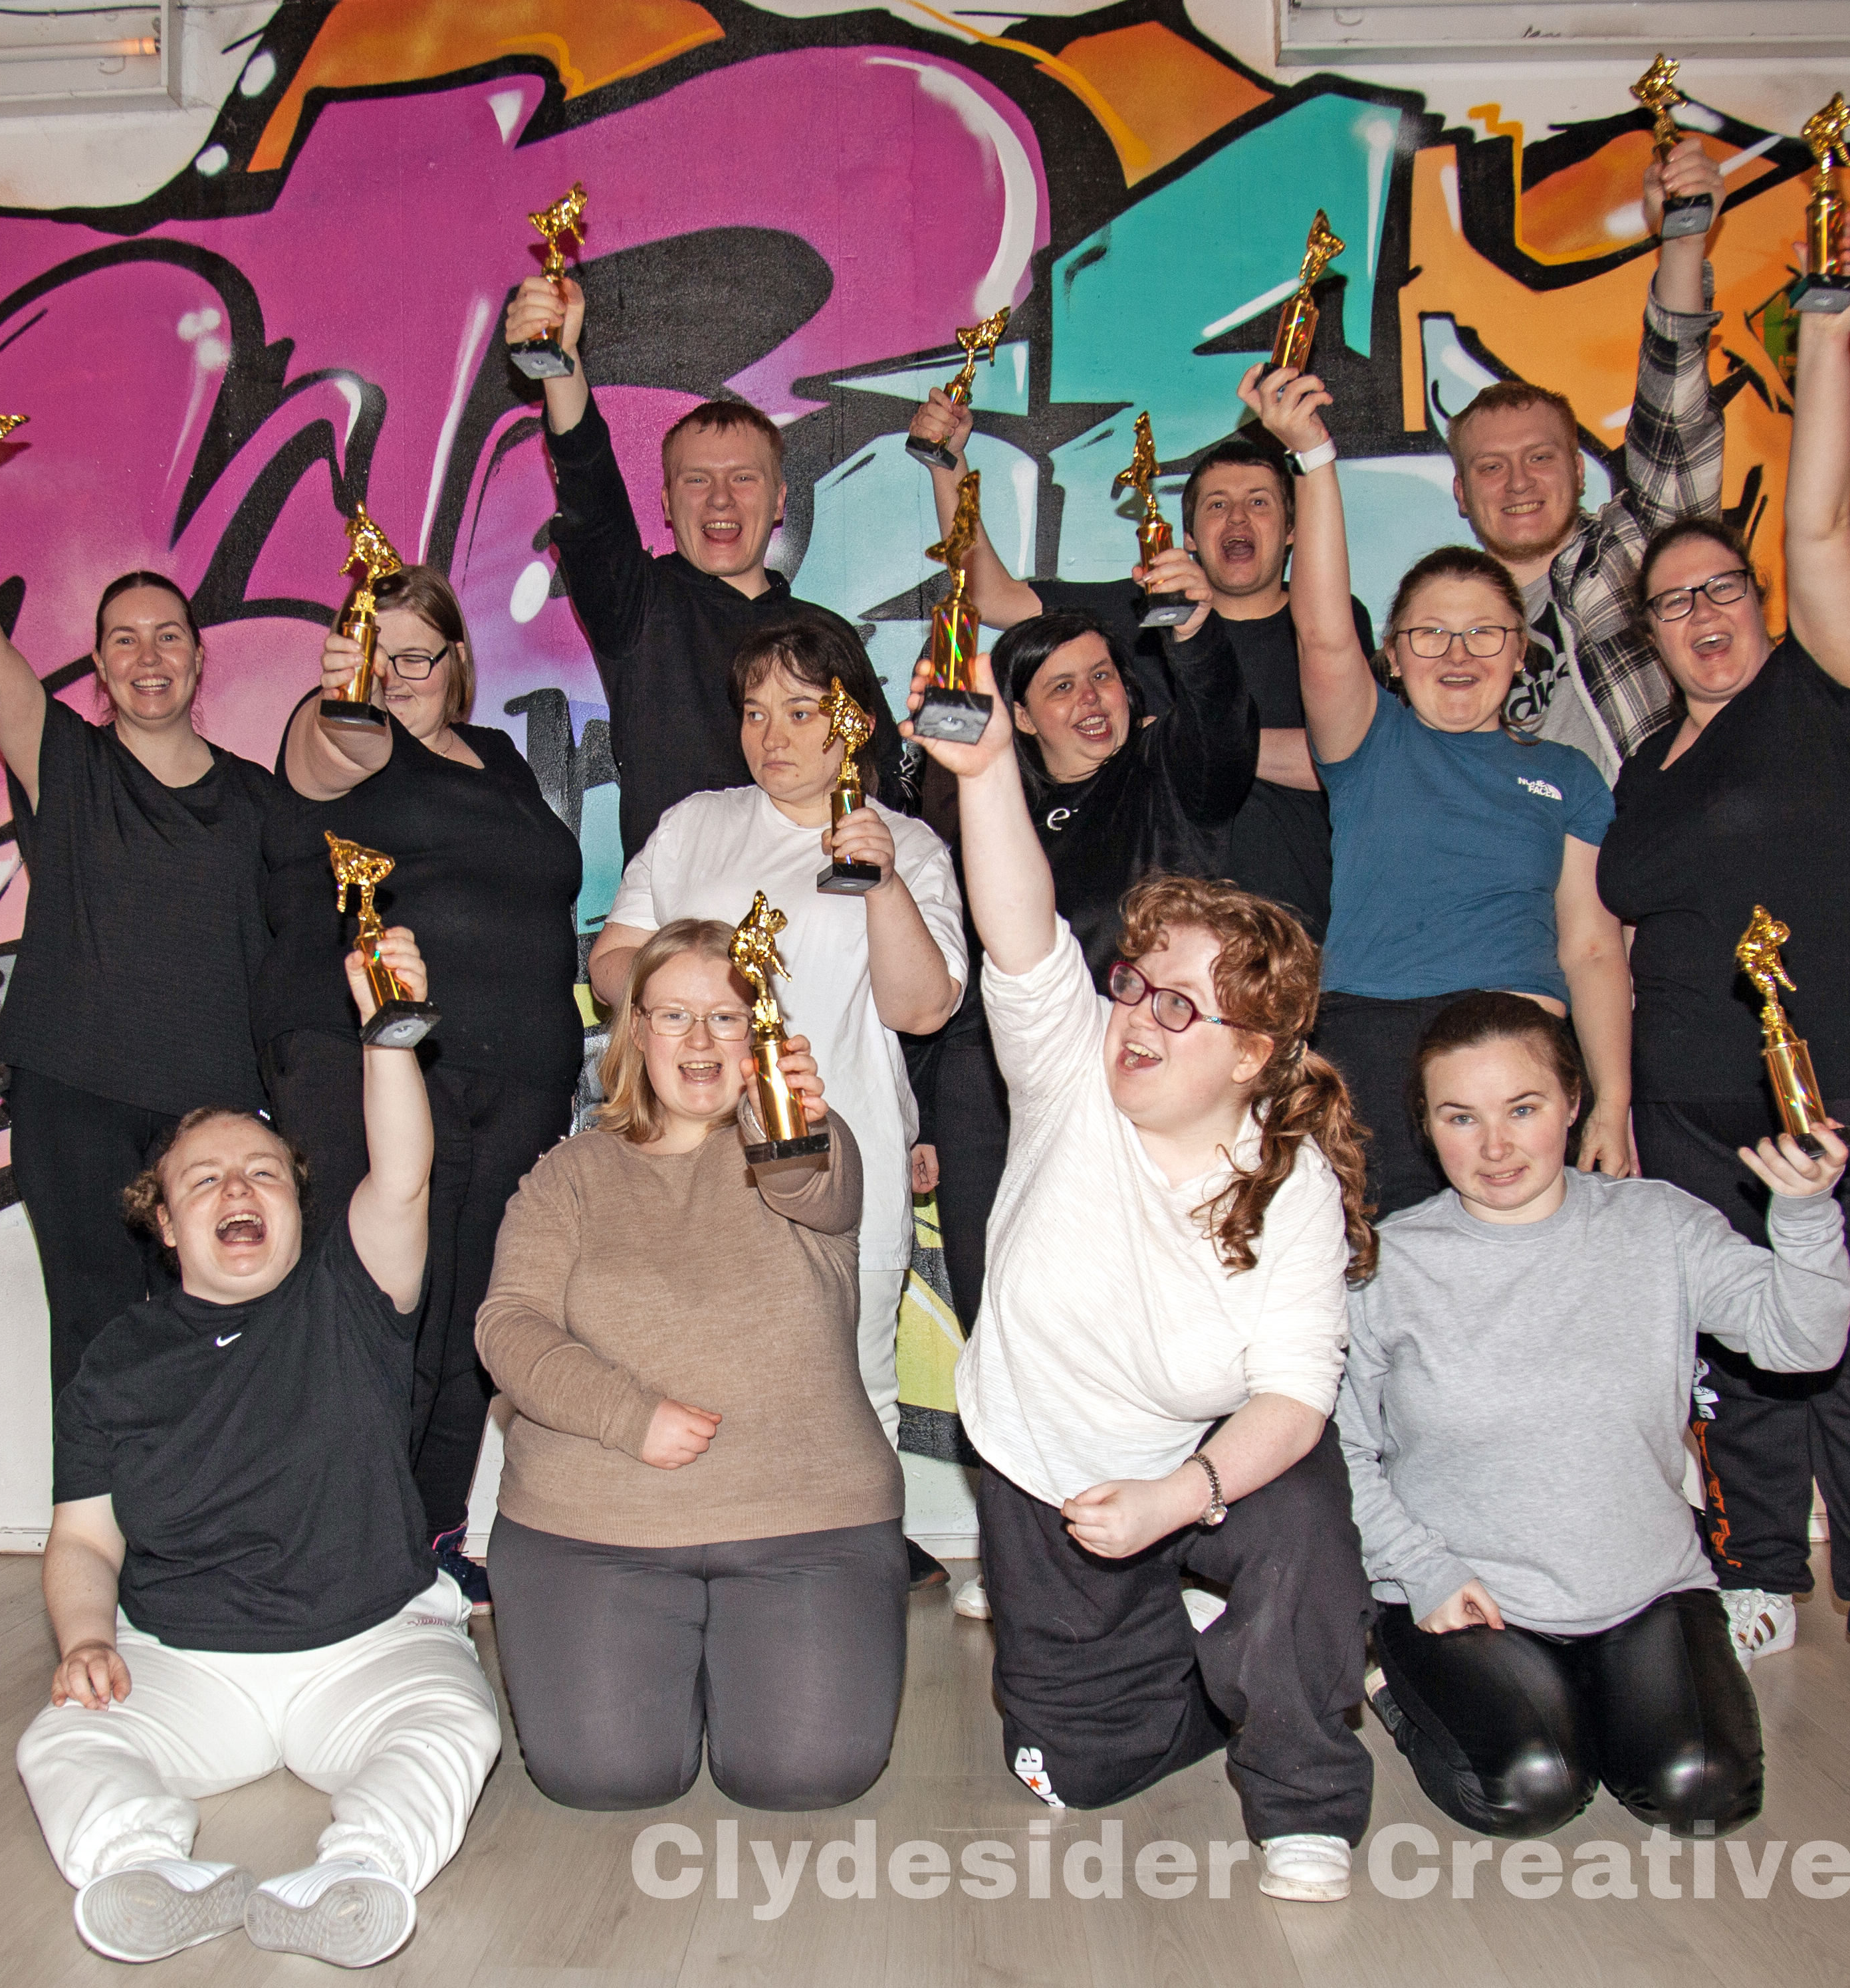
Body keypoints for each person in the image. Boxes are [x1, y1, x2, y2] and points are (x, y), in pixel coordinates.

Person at [910, 657, 1383, 1903]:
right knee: (1070, 1773)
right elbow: (1016, 923)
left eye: (1185, 1008)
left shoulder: (1284, 1180)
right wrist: (982, 773)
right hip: (1042, 1454)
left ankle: (1303, 1789)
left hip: (1218, 1455)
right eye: (1135, 982)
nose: (1137, 1018)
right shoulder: (1070, 1070)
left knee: (1296, 1549)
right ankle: (1211, 1665)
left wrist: (1181, 1495)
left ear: (1253, 1054)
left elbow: (1291, 1398)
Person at [1598, 225, 1850, 1733]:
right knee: (1744, 1355)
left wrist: (1823, 331)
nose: (1700, 615)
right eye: (1671, 604)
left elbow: (1818, 527)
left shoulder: (1828, 695)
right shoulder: (1641, 765)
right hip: (1693, 1102)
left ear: (1761, 609)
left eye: (1720, 593)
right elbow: (1616, 938)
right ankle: (1755, 1568)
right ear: (1646, 637)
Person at [17, 935, 503, 1969]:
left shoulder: (352, 1297)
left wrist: (385, 1027)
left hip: (368, 1645)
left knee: (458, 1724)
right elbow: (83, 1541)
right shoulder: (115, 1361)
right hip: (188, 1660)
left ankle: (356, 1873)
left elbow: (404, 1174)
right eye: (206, 1178)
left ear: (296, 1202)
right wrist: (83, 1642)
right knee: (60, 1736)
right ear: (164, 1221)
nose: (239, 1188)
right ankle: (137, 1868)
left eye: (264, 1172)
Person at [1339, 994, 1850, 1840]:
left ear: (1574, 1105)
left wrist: (1802, 1216)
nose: (1496, 1147)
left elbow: (1802, 1344)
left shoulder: (1660, 1225)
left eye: (1524, 1109)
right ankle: (1403, 1683)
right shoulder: (1388, 1266)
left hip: (1644, 1590)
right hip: (1467, 1595)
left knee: (1701, 1795)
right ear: (1426, 1127)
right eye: (1461, 1117)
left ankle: (1588, 1699)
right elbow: (1342, 1451)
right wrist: (1419, 1571)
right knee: (1528, 1793)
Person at [475, 919, 905, 1810]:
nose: (701, 1038)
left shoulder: (811, 1145)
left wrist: (782, 1111)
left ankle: (741, 1662)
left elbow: (804, 1179)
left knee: (808, 1773)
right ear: (635, 1030)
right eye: (674, 1014)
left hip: (807, 1529)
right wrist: (626, 1412)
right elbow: (508, 1326)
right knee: (602, 1777)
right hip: (589, 1529)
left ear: (763, 1033)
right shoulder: (569, 1173)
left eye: (727, 1016)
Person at [0, 454, 276, 1394]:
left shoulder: (262, 800)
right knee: (95, 1335)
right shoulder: (67, 763)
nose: (148, 657)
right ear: (98, 666)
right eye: (124, 640)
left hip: (209, 1110)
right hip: (75, 1101)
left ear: (197, 656)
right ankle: (93, 1537)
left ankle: (194, 1538)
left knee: (208, 1336)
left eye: (168, 636)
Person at [586, 616, 963, 1583]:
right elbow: (612, 962)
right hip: (687, 1170)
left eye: (800, 710)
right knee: (690, 1373)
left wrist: (880, 883)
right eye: (755, 712)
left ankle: (857, 1594)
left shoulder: (910, 847)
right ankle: (701, 1572)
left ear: (853, 721)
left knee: (855, 1390)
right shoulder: (698, 822)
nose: (772, 735)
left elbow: (923, 1007)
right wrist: (704, 996)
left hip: (845, 1165)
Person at [904, 600, 1256, 1608]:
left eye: (1103, 674)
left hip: (1139, 1081)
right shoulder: (973, 806)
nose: (1091, 698)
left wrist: (1193, 637)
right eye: (1060, 685)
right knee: (1002, 1305)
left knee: (1158, 1304)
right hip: (986, 1087)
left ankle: (1189, 1538)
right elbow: (963, 970)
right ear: (1014, 713)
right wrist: (930, 1108)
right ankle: (1026, 1534)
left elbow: (1225, 737)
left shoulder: (1163, 779)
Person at [262, 564, 585, 1608]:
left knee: (471, 1322)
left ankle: (432, 1538)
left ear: (458, 664)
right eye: (376, 653)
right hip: (392, 1072)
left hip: (523, 1074)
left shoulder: (494, 756)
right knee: (387, 1312)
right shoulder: (349, 744)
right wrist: (334, 692)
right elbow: (327, 742)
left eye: (416, 655)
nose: (396, 676)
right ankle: (350, 1546)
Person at [1248, 369, 1633, 1216]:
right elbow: (1318, 631)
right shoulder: (1368, 740)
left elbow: (1594, 949)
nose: (1457, 654)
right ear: (1392, 652)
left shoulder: (1568, 776)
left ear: (1519, 649)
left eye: (1484, 632)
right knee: (1365, 1286)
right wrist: (1314, 460)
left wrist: (1611, 1101)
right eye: (1430, 633)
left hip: (1516, 1051)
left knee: (1515, 1296)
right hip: (1371, 1046)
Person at [903, 412, 1368, 933]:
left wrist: (1186, 742)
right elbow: (988, 596)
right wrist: (947, 463)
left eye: (1258, 502)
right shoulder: (1132, 611)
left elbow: (1349, 759)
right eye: (1218, 505)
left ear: (1291, 530)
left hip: (1298, 921)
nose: (1237, 519)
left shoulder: (1325, 623)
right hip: (1163, 935)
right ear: (1187, 537)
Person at [503, 271, 908, 858]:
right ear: (667, 504)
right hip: (681, 928)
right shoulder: (639, 606)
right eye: (697, 480)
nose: (720, 499)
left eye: (743, 478)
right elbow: (593, 507)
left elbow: (889, 790)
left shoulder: (828, 636)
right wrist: (561, 367)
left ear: (778, 501)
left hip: (818, 923)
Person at [1446, 134, 1728, 777]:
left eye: (1540, 458)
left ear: (1578, 472)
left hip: (1648, 858)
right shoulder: (1442, 624)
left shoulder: (1636, 552)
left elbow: (1673, 412)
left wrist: (1681, 241)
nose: (1517, 481)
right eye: (1490, 466)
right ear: (1461, 493)